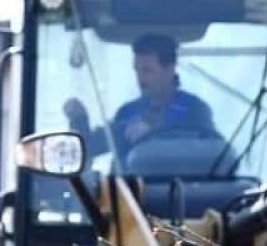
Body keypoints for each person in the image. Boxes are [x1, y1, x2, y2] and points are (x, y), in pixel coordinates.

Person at [63, 34, 219, 164]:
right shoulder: (128, 112)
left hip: (182, 194)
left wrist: (154, 133)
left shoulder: (195, 110)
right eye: (137, 70)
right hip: (129, 195)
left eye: (147, 70)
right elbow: (89, 148)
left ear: (169, 69)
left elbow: (211, 153)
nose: (140, 78)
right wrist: (79, 119)